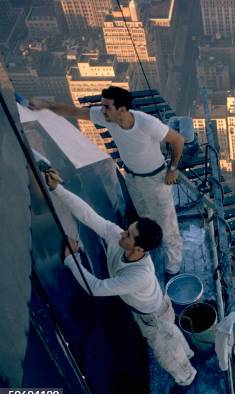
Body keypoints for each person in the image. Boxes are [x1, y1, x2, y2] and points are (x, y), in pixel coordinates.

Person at [44, 169, 196, 394]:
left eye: (128, 235)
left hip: (154, 320)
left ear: (139, 248)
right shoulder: (119, 239)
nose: (121, 234)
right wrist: (58, 190)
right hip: (152, 310)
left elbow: (94, 288)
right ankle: (188, 354)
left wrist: (70, 260)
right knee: (174, 341)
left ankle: (187, 379)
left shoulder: (139, 275)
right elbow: (89, 216)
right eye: (127, 230)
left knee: (166, 353)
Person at [30, 87, 184, 279]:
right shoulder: (107, 117)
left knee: (166, 225)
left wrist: (173, 168)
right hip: (132, 178)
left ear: (122, 109)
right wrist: (45, 106)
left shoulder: (147, 123)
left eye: (107, 106)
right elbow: (73, 112)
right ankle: (147, 249)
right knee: (144, 219)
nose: (102, 110)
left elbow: (178, 139)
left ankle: (174, 268)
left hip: (155, 179)